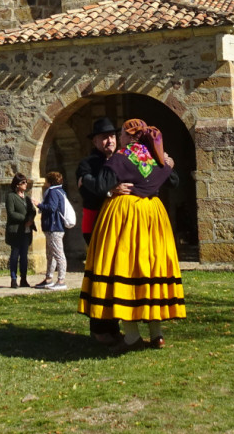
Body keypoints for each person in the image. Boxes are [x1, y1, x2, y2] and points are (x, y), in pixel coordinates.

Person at [79, 119, 185, 350]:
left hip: (125, 216)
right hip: (153, 216)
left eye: (119, 135)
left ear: (126, 136)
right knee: (150, 271)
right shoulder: (156, 157)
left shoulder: (120, 158)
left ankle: (131, 336)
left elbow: (100, 186)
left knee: (124, 270)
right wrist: (168, 163)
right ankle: (157, 333)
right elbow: (173, 181)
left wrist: (91, 182)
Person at [76, 117, 132, 344]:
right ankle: (99, 328)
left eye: (111, 136)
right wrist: (111, 191)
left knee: (117, 275)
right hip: (96, 223)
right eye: (103, 137)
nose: (108, 140)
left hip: (118, 224)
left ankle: (114, 325)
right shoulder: (88, 163)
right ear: (95, 141)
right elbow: (89, 190)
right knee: (100, 276)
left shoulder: (123, 159)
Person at [36, 171, 70, 290]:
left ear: (49, 181)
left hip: (54, 227)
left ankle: (61, 280)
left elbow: (52, 208)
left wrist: (39, 205)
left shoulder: (53, 192)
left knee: (58, 254)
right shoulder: (61, 191)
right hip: (55, 227)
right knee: (51, 254)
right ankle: (49, 278)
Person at [6, 173, 36, 288]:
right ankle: (13, 278)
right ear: (17, 184)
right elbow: (11, 213)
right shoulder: (11, 196)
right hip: (16, 231)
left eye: (26, 182)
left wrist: (30, 219)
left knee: (24, 256)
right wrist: (25, 220)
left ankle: (24, 278)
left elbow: (32, 210)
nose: (25, 184)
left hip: (26, 231)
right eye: (23, 182)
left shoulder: (27, 197)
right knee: (15, 255)